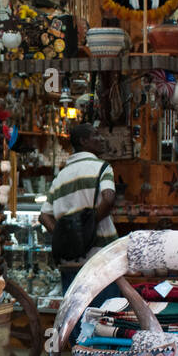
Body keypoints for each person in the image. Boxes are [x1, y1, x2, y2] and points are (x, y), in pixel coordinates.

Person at [39, 123, 120, 296]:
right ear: (83, 141)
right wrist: (87, 226)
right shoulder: (102, 168)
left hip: (69, 262)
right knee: (103, 317)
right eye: (96, 135)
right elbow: (109, 198)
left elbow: (44, 216)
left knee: (74, 318)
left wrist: (67, 236)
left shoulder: (60, 177)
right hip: (100, 260)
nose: (101, 139)